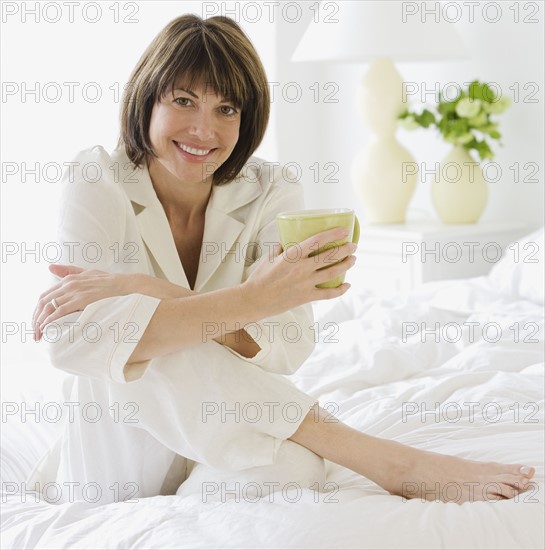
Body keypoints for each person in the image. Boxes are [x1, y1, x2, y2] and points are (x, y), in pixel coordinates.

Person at [30, 14, 534, 505]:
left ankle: (189, 508)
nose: (204, 129)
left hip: (220, 431)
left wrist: (150, 291)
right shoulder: (96, 179)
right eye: (184, 101)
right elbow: (71, 340)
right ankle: (386, 461)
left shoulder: (272, 189)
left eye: (227, 109)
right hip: (114, 453)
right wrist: (251, 300)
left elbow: (288, 347)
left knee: (297, 468)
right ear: (146, 101)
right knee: (140, 342)